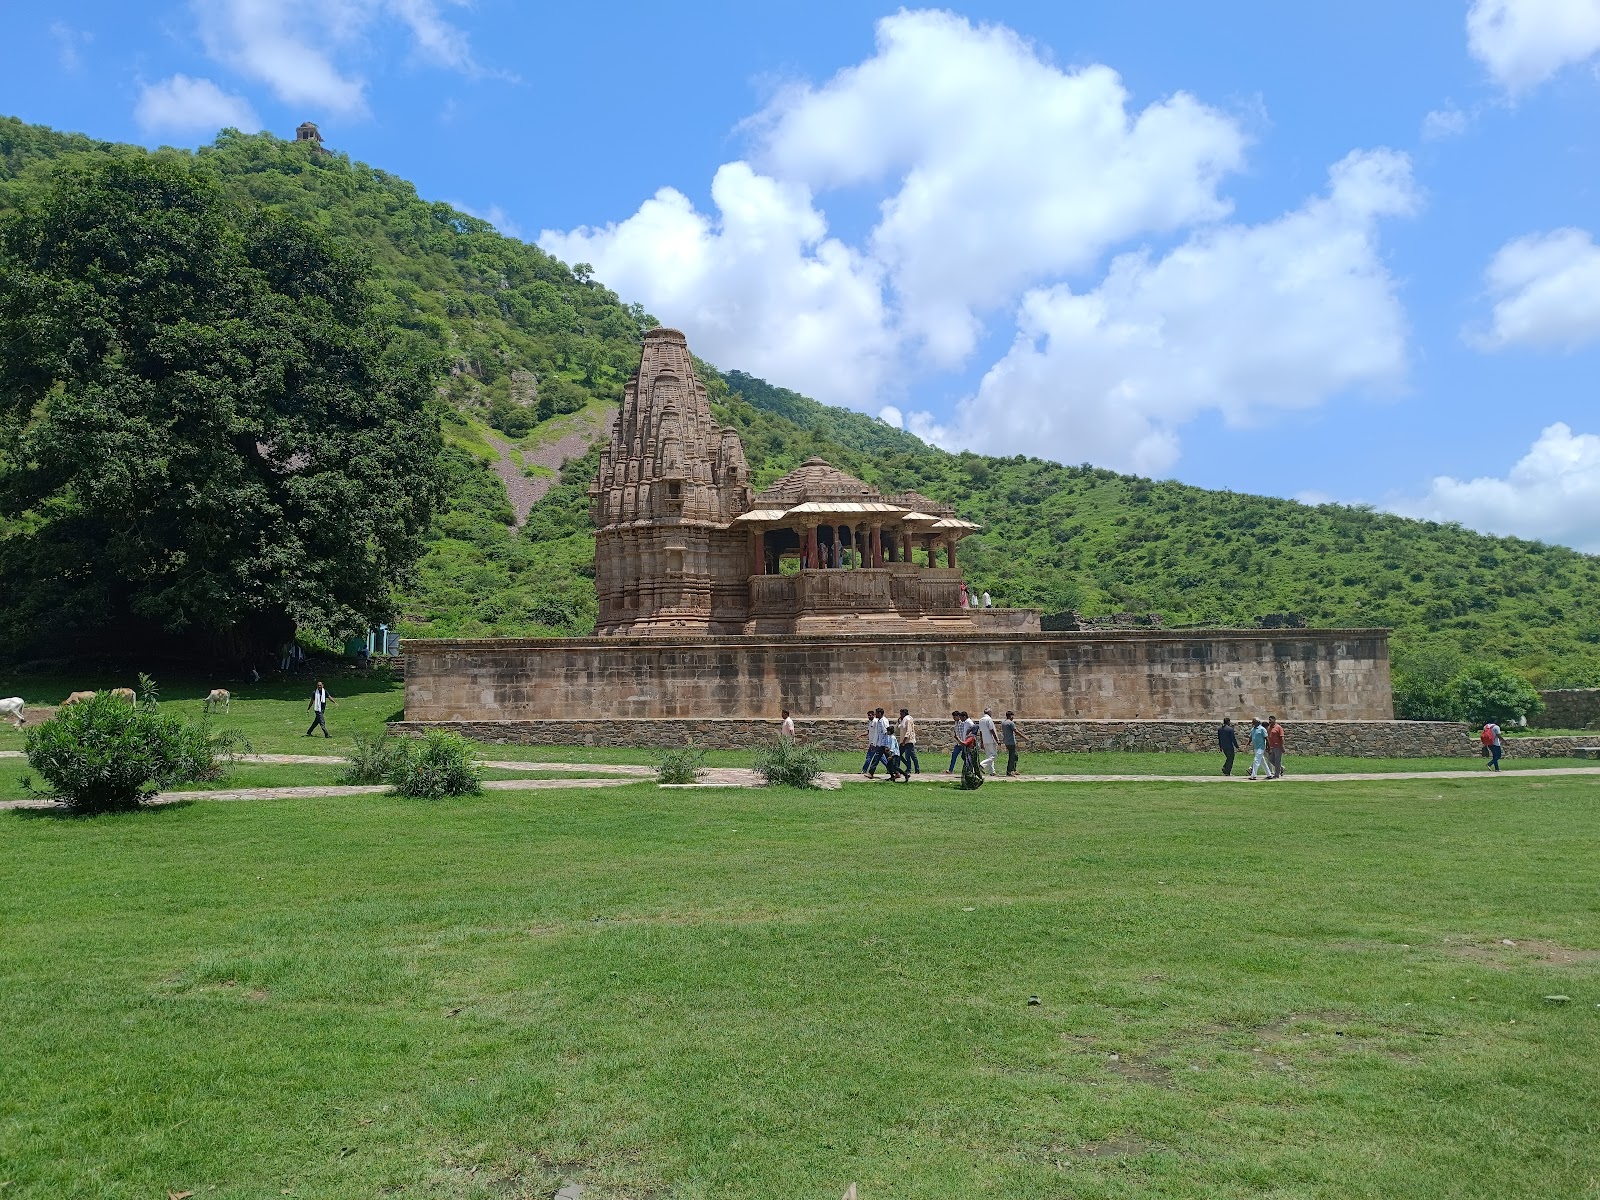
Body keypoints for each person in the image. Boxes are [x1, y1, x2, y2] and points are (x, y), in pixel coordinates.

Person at [898, 708, 920, 775]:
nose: (900, 715)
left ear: (904, 713)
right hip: (903, 741)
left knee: (912, 756)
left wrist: (904, 740)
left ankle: (916, 769)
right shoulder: (903, 720)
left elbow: (909, 731)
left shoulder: (908, 719)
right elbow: (898, 728)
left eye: (901, 713)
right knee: (901, 755)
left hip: (908, 741)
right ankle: (908, 767)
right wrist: (899, 721)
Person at [977, 707, 999, 776]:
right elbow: (992, 730)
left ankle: (992, 771)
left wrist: (982, 741)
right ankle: (981, 764)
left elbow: (980, 732)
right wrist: (997, 740)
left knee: (989, 756)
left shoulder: (981, 720)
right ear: (989, 713)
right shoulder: (989, 719)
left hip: (985, 739)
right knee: (994, 755)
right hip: (991, 740)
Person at [862, 709, 882, 776]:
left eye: (870, 715)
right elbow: (868, 732)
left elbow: (877, 733)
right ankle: (889, 768)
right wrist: (861, 735)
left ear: (873, 715)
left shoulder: (876, 722)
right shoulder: (870, 722)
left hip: (874, 743)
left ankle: (864, 770)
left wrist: (874, 743)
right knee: (881, 757)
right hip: (872, 743)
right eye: (868, 716)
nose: (869, 717)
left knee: (869, 757)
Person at [1002, 711, 1021, 777]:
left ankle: (1014, 769)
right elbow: (1016, 731)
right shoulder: (1010, 723)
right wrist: (1024, 737)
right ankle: (1009, 771)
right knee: (1012, 757)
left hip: (1007, 742)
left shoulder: (1004, 723)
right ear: (1011, 716)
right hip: (1011, 742)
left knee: (1015, 756)